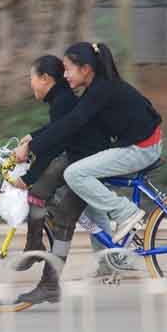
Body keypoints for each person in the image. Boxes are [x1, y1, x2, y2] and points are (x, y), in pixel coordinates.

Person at [15, 42, 162, 304]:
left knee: (75, 175)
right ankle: (109, 260)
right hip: (132, 143)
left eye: (69, 69)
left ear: (85, 69)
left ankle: (126, 213)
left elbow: (69, 124)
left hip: (142, 148)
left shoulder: (101, 90)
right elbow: (67, 124)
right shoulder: (95, 90)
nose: (65, 74)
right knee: (86, 194)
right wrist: (32, 138)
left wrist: (33, 147)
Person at [11, 55, 115, 287]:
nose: (30, 84)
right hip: (82, 156)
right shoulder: (62, 99)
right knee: (80, 208)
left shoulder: (62, 101)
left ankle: (46, 272)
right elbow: (57, 128)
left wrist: (29, 177)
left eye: (32, 78)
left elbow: (55, 142)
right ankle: (107, 263)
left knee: (51, 204)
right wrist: (33, 137)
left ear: (45, 78)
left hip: (86, 160)